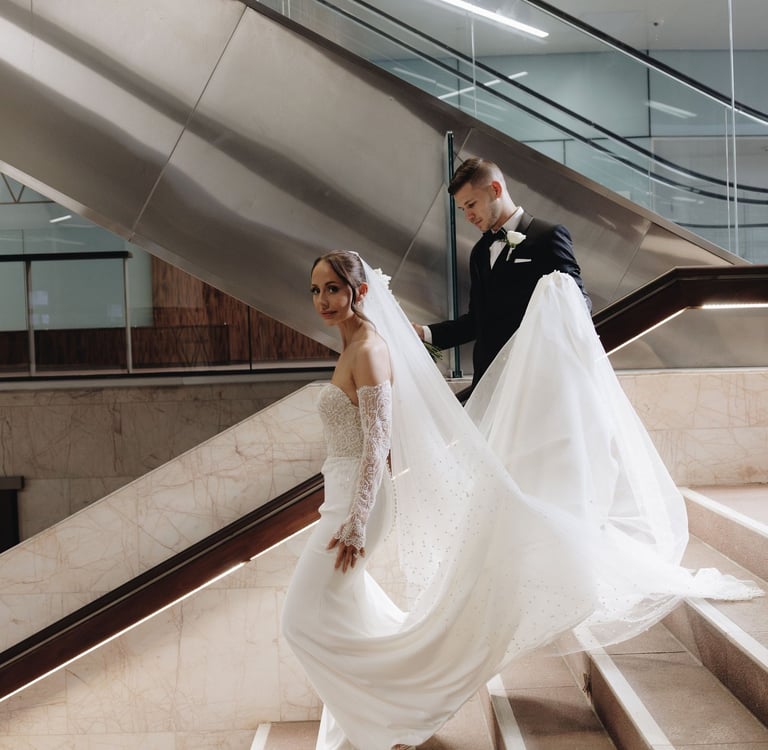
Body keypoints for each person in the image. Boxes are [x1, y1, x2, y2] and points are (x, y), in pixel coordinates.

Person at [282, 251, 761, 750]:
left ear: (359, 292)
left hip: (355, 511)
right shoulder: (351, 347)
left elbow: (378, 442)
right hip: (339, 502)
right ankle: (380, 712)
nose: (323, 300)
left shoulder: (369, 351)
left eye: (333, 289)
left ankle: (390, 709)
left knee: (299, 622)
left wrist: (358, 519)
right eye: (315, 290)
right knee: (344, 614)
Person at [413, 156, 591, 386]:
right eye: (462, 209)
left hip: (536, 380)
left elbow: (580, 302)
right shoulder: (479, 252)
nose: (468, 216)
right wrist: (425, 334)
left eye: (471, 204)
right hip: (488, 382)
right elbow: (477, 321)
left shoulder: (549, 236)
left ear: (495, 189)